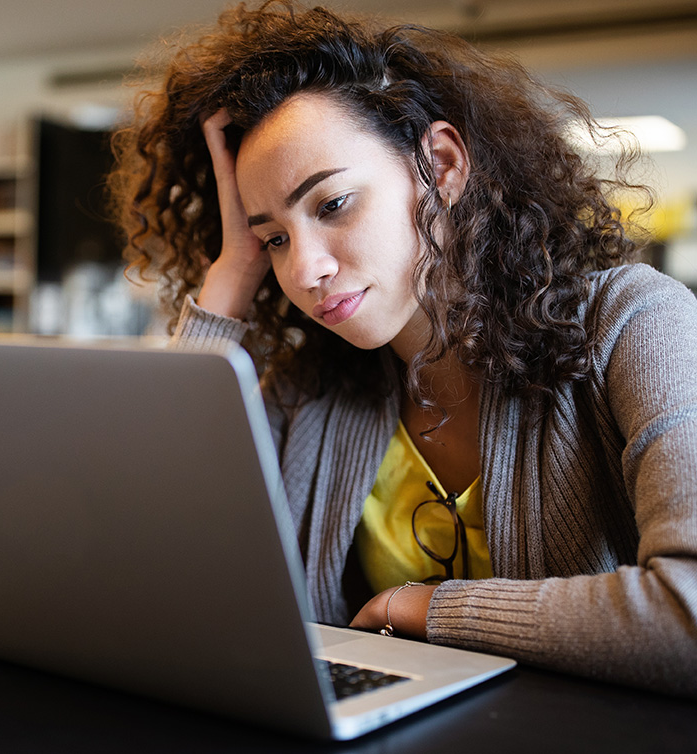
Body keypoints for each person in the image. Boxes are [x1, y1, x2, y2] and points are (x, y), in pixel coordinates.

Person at [107, 0, 697, 697]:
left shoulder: (634, 321)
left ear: (440, 163)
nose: (304, 271)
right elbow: (152, 573)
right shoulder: (311, 390)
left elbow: (686, 613)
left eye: (331, 206)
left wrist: (422, 609)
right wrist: (232, 273)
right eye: (275, 238)